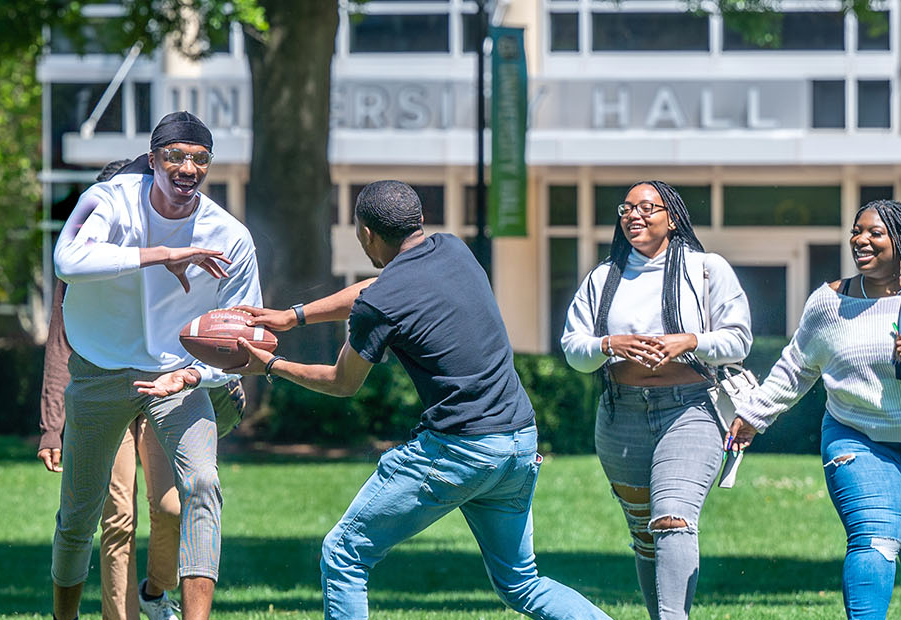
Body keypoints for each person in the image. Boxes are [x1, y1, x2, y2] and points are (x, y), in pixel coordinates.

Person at [210, 180, 612, 620]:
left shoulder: (379, 306)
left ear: (365, 234)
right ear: (418, 221)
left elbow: (342, 382)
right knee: (521, 582)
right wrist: (294, 316)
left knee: (344, 553)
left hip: (461, 449)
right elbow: (375, 290)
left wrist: (269, 365)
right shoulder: (453, 250)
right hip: (517, 443)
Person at [728, 200, 901, 620]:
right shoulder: (828, 302)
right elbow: (797, 366)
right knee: (874, 539)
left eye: (875, 233)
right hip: (858, 438)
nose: (861, 241)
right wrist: (754, 415)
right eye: (857, 231)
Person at [51, 111, 261, 620]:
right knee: (81, 513)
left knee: (203, 486)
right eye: (175, 156)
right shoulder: (110, 199)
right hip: (100, 367)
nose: (187, 168)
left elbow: (245, 340)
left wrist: (193, 374)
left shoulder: (229, 235)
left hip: (178, 376)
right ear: (153, 160)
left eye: (199, 159)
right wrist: (162, 253)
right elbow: (68, 261)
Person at [559, 180, 752, 620]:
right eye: (626, 208)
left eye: (647, 207)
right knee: (647, 536)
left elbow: (739, 339)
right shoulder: (603, 277)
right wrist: (610, 344)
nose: (634, 215)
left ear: (673, 217)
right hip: (620, 415)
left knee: (672, 520)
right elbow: (574, 348)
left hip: (689, 410)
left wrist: (689, 341)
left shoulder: (706, 268)